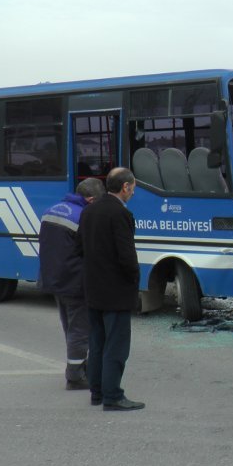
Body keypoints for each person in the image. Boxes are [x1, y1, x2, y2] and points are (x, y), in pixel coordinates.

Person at [76, 167, 144, 411]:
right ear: (125, 187)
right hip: (116, 291)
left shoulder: (89, 211)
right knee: (116, 345)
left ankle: (97, 392)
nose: (133, 192)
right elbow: (127, 257)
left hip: (93, 288)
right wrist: (135, 283)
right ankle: (113, 395)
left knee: (97, 342)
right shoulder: (120, 214)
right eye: (133, 187)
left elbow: (79, 248)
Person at [39, 178, 106, 390]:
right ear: (91, 199)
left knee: (69, 325)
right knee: (79, 329)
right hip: (75, 281)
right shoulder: (82, 216)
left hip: (54, 278)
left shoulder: (52, 210)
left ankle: (77, 366)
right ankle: (75, 376)